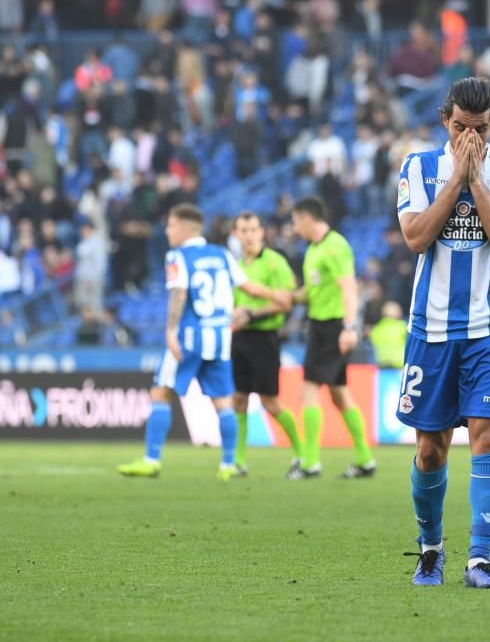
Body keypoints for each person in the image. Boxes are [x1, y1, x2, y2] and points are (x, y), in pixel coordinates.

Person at [395, 77, 490, 589]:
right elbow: (415, 237)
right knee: (430, 448)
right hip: (429, 329)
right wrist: (457, 178)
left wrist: (477, 181)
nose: (467, 137)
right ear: (443, 121)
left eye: (477, 128)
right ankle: (431, 551)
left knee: (488, 436)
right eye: (458, 127)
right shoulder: (417, 167)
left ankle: (479, 559)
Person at [117, 205, 291, 480]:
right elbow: (248, 286)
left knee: (161, 392)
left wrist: (171, 330)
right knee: (223, 402)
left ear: (185, 229)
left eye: (171, 226)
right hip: (220, 339)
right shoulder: (221, 254)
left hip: (189, 337)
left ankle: (151, 459)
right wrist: (276, 295)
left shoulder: (177, 256)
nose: (167, 231)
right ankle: (228, 464)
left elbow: (179, 294)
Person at [290, 196, 376, 480]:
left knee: (309, 389)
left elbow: (349, 287)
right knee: (340, 394)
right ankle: (365, 459)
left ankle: (310, 463)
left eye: (295, 222)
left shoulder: (335, 245)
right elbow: (312, 290)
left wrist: (350, 327)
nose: (294, 228)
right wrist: (288, 298)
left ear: (306, 218)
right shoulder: (313, 250)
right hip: (322, 325)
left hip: (332, 327)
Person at [229, 212, 301, 478]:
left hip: (265, 338)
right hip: (240, 338)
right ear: (236, 234)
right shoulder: (236, 265)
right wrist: (236, 313)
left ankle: (301, 455)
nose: (248, 235)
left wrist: (252, 313)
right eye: (243, 230)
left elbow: (286, 301)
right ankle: (237, 461)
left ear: (262, 233)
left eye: (253, 230)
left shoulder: (275, 263)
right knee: (239, 398)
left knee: (270, 402)